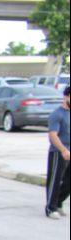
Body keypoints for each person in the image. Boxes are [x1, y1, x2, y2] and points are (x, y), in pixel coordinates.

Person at [44, 86, 70, 219]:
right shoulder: (57, 114)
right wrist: (63, 149)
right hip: (58, 152)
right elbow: (53, 135)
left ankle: (58, 202)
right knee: (55, 180)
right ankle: (50, 208)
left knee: (68, 182)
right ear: (66, 97)